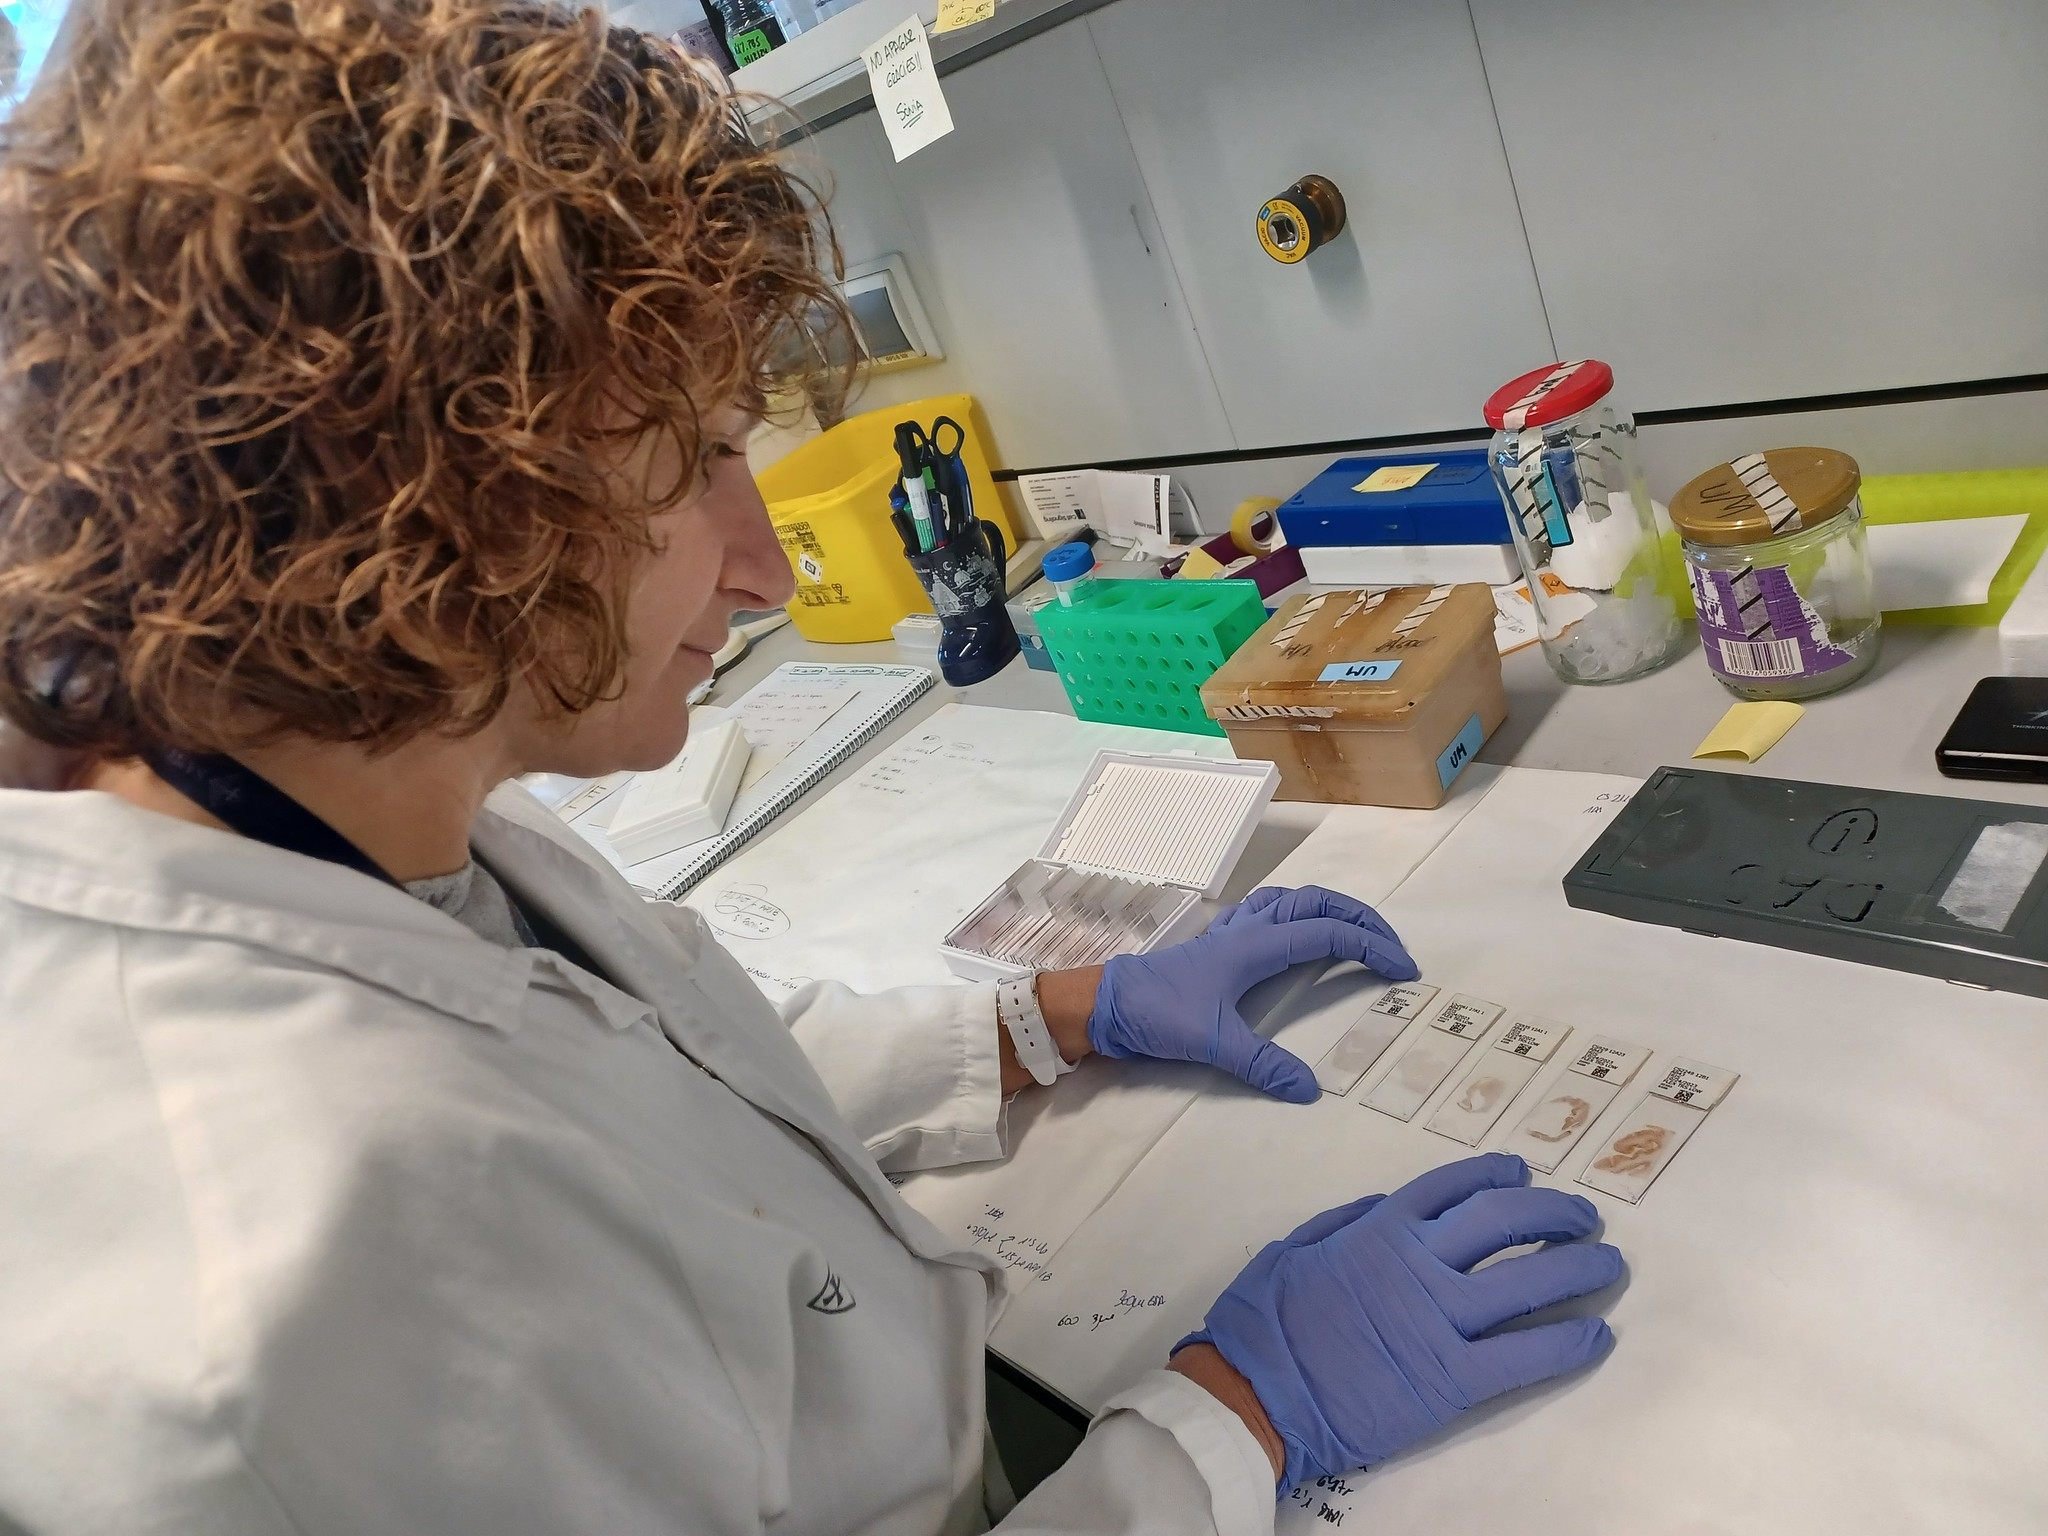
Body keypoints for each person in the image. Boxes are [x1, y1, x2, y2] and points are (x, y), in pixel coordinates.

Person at [0, 1, 1623, 1531]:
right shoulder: (297, 1297)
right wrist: (1233, 1421)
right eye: (696, 458)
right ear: (424, 513)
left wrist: (1053, 1018)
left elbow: (651, 1098)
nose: (768, 566)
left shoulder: (329, 792)